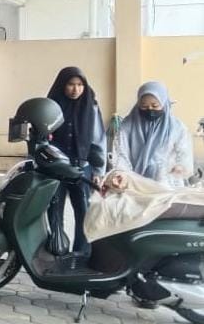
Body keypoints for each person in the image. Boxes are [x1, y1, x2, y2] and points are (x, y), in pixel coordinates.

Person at [45, 67, 106, 256]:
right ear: (62, 85)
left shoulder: (91, 106)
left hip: (82, 168)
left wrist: (98, 171)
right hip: (56, 168)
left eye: (80, 85)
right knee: (54, 211)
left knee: (84, 212)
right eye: (71, 84)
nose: (76, 89)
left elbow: (98, 140)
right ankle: (57, 251)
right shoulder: (51, 106)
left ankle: (82, 253)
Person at [112, 81, 193, 188]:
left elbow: (184, 153)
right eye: (144, 106)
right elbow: (121, 153)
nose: (150, 109)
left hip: (167, 184)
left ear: (164, 104)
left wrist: (180, 166)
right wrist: (121, 173)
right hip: (135, 184)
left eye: (155, 106)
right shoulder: (128, 125)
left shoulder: (176, 127)